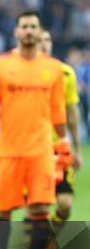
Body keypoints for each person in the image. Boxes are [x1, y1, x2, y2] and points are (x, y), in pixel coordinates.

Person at [0, 11, 66, 249]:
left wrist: (64, 145)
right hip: (8, 149)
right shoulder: (0, 64)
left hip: (40, 150)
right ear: (16, 32)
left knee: (40, 209)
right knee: (2, 211)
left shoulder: (54, 68)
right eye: (24, 27)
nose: (28, 31)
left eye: (33, 26)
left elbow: (58, 113)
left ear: (39, 32)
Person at [37, 29, 81, 231]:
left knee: (65, 204)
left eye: (47, 39)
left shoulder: (66, 73)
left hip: (59, 147)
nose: (44, 43)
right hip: (35, 148)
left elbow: (72, 113)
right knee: (40, 204)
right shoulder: (25, 73)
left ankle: (51, 231)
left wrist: (77, 149)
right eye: (40, 40)